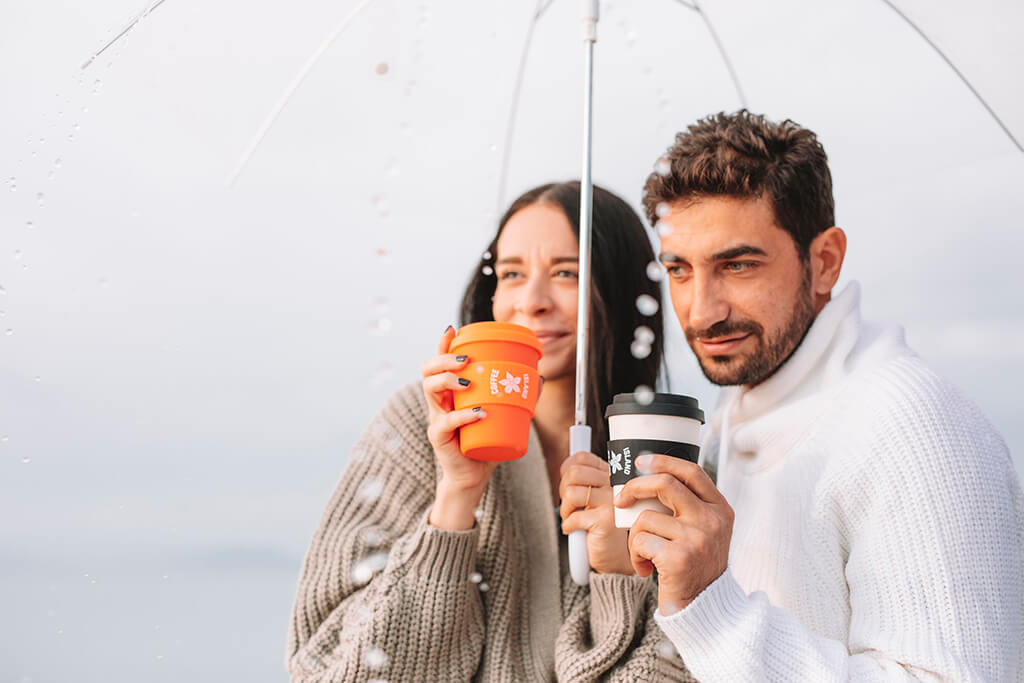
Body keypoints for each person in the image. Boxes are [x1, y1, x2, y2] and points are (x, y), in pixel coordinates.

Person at [616, 110, 1024, 681]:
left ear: (825, 261)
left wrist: (714, 608)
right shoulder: (735, 417)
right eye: (679, 270)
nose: (702, 310)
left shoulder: (914, 429)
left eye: (737, 265)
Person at [286, 182, 696, 681]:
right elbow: (329, 670)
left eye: (566, 273)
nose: (532, 301)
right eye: (511, 274)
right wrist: (455, 499)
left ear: (619, 288)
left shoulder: (667, 460)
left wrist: (617, 572)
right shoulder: (420, 427)